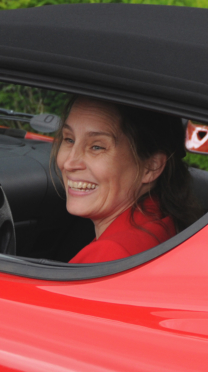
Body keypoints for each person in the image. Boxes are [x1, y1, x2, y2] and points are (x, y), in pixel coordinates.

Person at [54, 97, 199, 264]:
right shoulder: (164, 222)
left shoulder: (110, 256)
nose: (69, 163)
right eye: (69, 139)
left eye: (97, 147)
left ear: (151, 167)